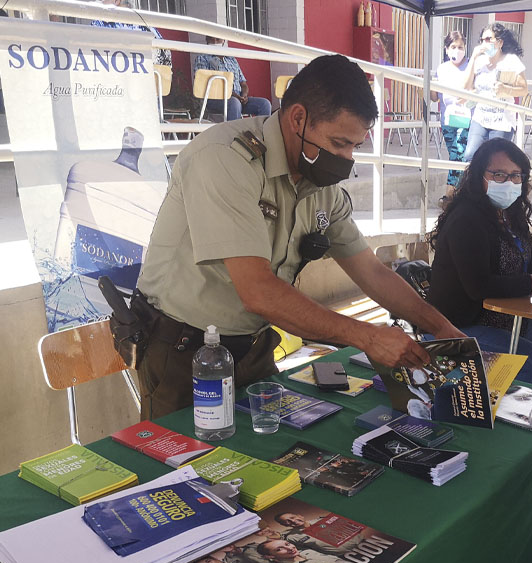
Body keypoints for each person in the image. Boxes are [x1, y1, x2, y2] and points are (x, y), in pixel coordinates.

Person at [134, 55, 463, 419]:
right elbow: (258, 290)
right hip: (182, 351)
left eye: (355, 146)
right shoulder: (224, 160)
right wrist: (366, 336)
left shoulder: (320, 183)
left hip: (254, 347)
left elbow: (373, 272)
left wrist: (447, 332)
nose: (347, 159)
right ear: (298, 118)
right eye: (339, 143)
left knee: (275, 460)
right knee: (183, 465)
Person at [426, 138, 532, 387]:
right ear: (479, 176)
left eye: (516, 175)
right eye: (499, 174)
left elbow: (529, 254)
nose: (508, 182)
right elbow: (479, 286)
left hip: (503, 319)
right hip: (458, 326)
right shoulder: (467, 220)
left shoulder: (508, 213)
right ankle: (517, 415)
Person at [461, 23, 528, 162]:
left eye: (488, 39)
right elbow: (466, 87)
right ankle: (472, 184)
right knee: (470, 156)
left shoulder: (511, 60)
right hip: (480, 117)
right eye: (482, 40)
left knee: (495, 161)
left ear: (500, 42)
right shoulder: (479, 61)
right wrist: (473, 58)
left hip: (502, 121)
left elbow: (524, 89)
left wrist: (505, 90)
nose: (484, 43)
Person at [430, 31, 471, 200]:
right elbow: (434, 97)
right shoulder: (442, 69)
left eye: (460, 47)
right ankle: (462, 192)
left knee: (458, 153)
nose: (457, 50)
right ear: (447, 49)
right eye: (453, 47)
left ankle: (450, 195)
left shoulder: (470, 66)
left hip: (466, 118)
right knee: (455, 157)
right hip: (447, 119)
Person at [194, 36, 272, 121]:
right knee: (234, 102)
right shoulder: (202, 58)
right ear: (207, 41)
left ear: (223, 41)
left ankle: (260, 133)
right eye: (211, 39)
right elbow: (205, 84)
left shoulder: (231, 59)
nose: (215, 42)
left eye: (218, 39)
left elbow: (243, 83)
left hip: (240, 98)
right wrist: (235, 96)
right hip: (216, 99)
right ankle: (234, 134)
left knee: (264, 104)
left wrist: (244, 95)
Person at [91, 0, 172, 66]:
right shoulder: (150, 29)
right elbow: (165, 67)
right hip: (151, 82)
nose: (98, 2)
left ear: (116, 1)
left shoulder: (101, 24)